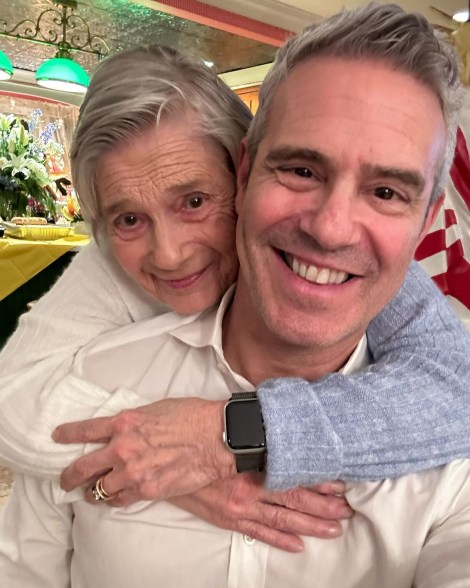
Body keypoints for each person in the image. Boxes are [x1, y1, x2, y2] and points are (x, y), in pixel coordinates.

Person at [1, 4, 469, 585]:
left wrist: (225, 437)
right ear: (251, 173)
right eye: (302, 170)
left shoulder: (445, 455)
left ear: (235, 174)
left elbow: (457, 389)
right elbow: (13, 397)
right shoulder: (96, 336)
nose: (169, 254)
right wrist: (148, 460)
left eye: (195, 201)